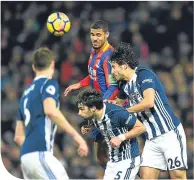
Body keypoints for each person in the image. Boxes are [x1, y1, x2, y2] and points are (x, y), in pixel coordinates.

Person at [110, 42, 188, 179]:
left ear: (124, 65)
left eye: (114, 67)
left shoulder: (143, 74)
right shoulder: (123, 85)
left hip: (170, 133)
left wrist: (125, 111)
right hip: (151, 139)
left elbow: (148, 102)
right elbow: (117, 106)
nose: (112, 71)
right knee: (146, 177)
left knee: (178, 175)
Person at [14, 47, 88, 179]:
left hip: (26, 158)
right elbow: (50, 110)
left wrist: (30, 152)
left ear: (33, 67)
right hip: (40, 153)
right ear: (52, 64)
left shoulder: (25, 94)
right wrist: (76, 136)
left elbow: (18, 137)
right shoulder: (48, 84)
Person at [64, 20, 118, 169]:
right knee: (101, 157)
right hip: (98, 108)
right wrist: (79, 84)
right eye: (92, 34)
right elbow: (94, 74)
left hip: (108, 110)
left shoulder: (109, 57)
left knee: (114, 156)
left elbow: (113, 87)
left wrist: (101, 108)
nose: (95, 38)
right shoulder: (94, 52)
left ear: (106, 35)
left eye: (99, 35)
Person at [76, 88, 146, 180]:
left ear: (93, 108)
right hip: (112, 162)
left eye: (81, 109)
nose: (79, 113)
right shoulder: (95, 113)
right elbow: (99, 121)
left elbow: (141, 127)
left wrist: (120, 138)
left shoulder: (117, 113)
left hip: (127, 159)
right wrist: (89, 126)